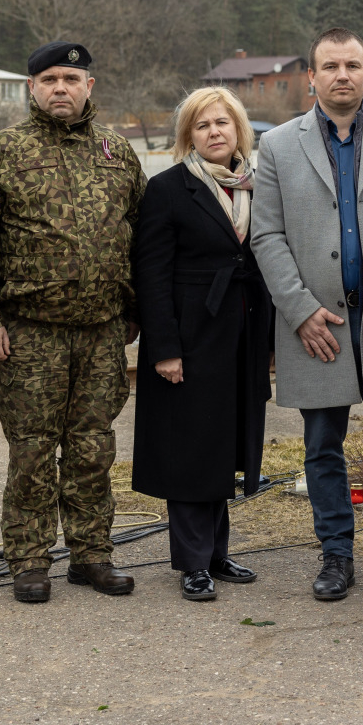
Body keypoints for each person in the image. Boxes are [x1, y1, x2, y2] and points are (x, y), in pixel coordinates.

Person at [250, 27, 363, 609]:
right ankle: (335, 555)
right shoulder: (277, 146)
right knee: (321, 446)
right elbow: (267, 233)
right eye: (330, 66)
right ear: (312, 76)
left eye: (353, 65)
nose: (342, 75)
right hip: (317, 323)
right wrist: (299, 311)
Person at [0, 42, 146, 604]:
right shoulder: (3, 152)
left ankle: (92, 553)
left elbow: (143, 235)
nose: (59, 88)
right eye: (48, 79)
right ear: (31, 88)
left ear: (90, 86)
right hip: (28, 332)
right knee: (33, 450)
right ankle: (30, 559)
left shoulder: (118, 151)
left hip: (102, 330)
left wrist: (134, 311)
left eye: (71, 77)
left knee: (93, 446)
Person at [131, 87, 269, 601]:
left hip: (242, 332)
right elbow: (152, 273)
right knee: (189, 445)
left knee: (221, 442)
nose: (215, 133)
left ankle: (215, 552)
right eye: (203, 125)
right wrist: (164, 347)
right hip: (189, 336)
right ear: (188, 136)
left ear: (239, 131)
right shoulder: (168, 188)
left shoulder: (255, 186)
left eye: (223, 124)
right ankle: (191, 562)